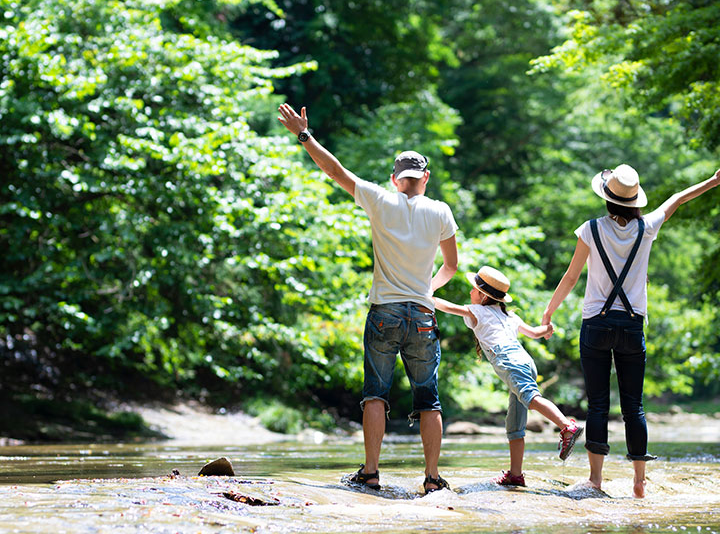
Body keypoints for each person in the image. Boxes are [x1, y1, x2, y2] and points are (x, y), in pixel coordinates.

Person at [277, 103, 459, 494]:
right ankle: (431, 478)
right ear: (424, 178)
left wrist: (304, 135)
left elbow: (334, 171)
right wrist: (427, 290)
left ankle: (371, 473)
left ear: (395, 179)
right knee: (429, 398)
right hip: (423, 315)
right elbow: (452, 267)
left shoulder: (378, 199)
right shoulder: (441, 211)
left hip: (384, 313)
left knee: (375, 393)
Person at [541, 164, 720, 498]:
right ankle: (639, 481)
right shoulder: (646, 227)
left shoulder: (591, 229)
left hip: (596, 322)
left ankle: (595, 480)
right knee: (633, 407)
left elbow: (570, 277)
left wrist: (548, 314)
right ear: (636, 201)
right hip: (632, 325)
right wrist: (713, 181)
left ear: (607, 198)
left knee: (597, 405)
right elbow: (677, 199)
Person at [433, 265, 584, 487]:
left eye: (473, 290)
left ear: (483, 296)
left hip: (509, 362)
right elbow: (534, 332)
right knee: (515, 424)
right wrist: (547, 329)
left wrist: (426, 297)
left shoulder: (478, 311)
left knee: (531, 397)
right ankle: (515, 474)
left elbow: (449, 307)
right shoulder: (509, 315)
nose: (470, 293)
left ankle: (566, 426)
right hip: (524, 360)